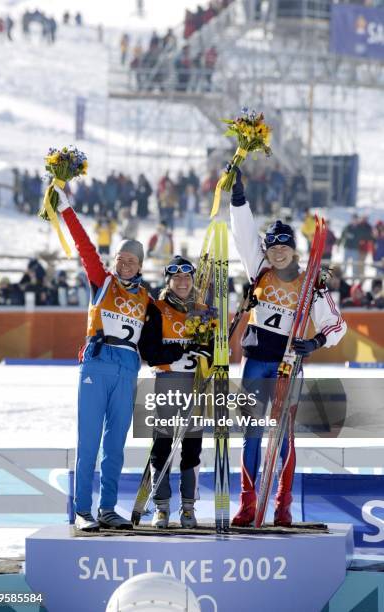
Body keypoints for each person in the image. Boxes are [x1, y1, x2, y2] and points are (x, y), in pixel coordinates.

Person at [229, 166, 347, 527]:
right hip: (256, 363)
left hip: (288, 366)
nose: (277, 253)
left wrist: (314, 341)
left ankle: (283, 504)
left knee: (282, 436)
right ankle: (248, 502)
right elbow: (245, 235)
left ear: (294, 251)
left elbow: (336, 325)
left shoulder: (311, 282)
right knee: (250, 432)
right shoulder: (259, 269)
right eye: (273, 247)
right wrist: (238, 201)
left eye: (284, 247)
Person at [54, 185, 150, 532]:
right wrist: (66, 209)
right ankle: (82, 510)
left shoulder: (147, 299)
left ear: (140, 264)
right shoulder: (102, 280)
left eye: (132, 260)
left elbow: (166, 328)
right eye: (121, 258)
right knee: (89, 442)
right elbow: (84, 246)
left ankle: (108, 508)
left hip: (127, 369)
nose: (125, 263)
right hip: (97, 363)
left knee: (115, 447)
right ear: (115, 261)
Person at [138, 257, 211, 528]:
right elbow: (150, 352)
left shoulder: (204, 311)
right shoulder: (157, 308)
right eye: (176, 278)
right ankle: (162, 506)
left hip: (195, 386)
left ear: (192, 280)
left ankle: (188, 507)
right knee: (162, 444)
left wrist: (208, 354)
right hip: (167, 382)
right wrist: (182, 350)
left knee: (192, 446)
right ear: (168, 280)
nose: (182, 282)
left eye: (187, 278)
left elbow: (215, 353)